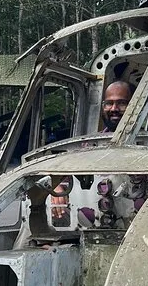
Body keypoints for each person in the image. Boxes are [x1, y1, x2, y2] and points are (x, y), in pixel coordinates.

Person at [51, 81, 133, 217]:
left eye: (122, 103)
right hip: (99, 221)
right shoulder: (89, 145)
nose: (114, 109)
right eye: (109, 103)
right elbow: (67, 175)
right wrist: (57, 187)